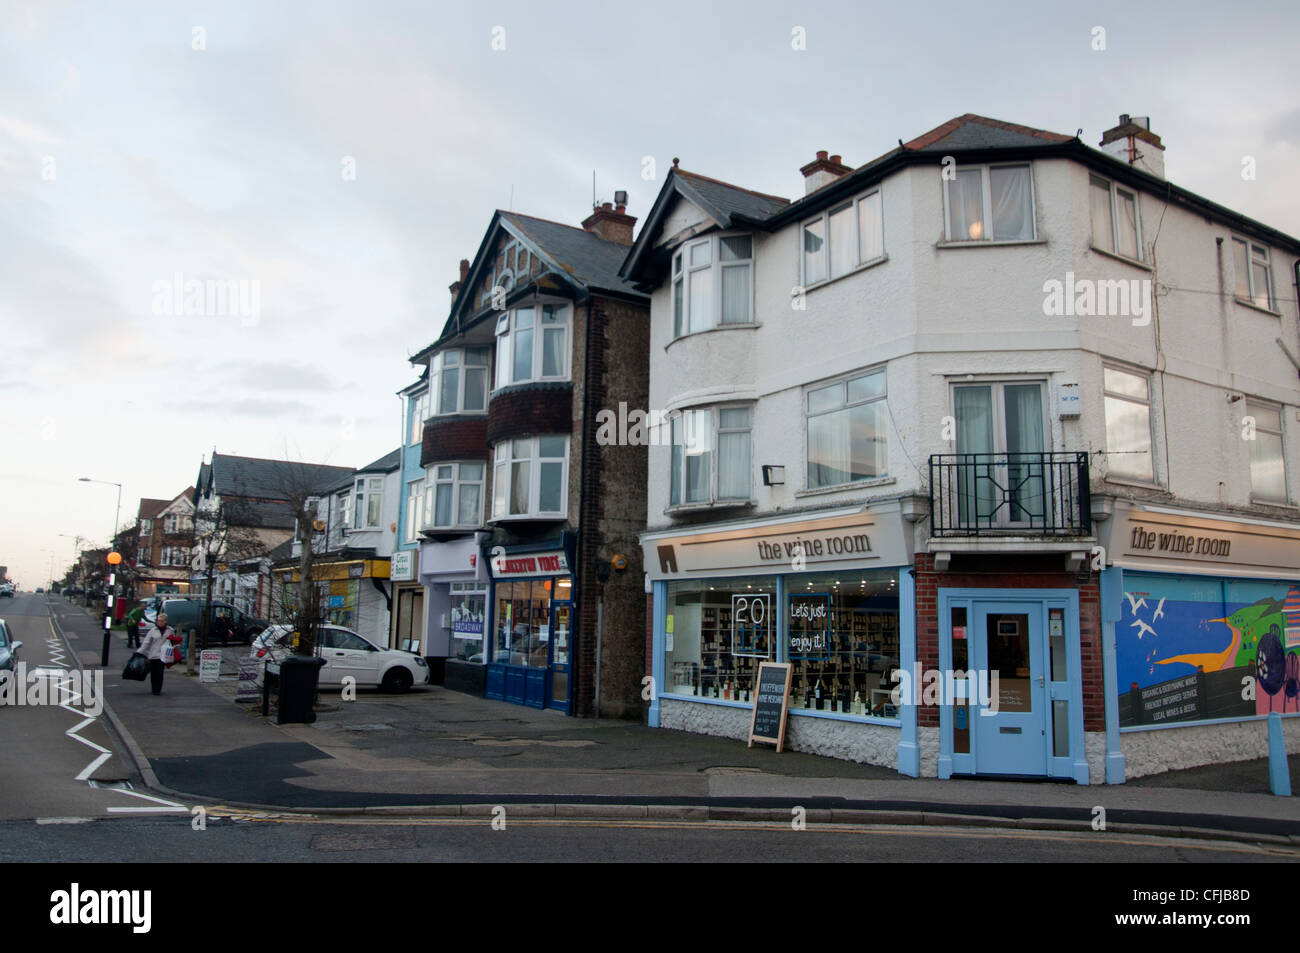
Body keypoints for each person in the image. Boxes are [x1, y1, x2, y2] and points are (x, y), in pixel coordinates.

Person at [138, 611, 177, 695]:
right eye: (158, 620)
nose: (160, 622)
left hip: (163, 655)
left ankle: (157, 689)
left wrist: (174, 648)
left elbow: (174, 642)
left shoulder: (170, 630)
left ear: (165, 621)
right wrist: (139, 652)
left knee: (160, 672)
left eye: (162, 621)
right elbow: (146, 642)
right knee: (154, 673)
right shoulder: (153, 630)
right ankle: (154, 688)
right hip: (153, 655)